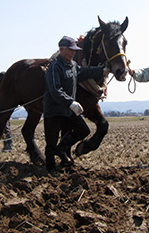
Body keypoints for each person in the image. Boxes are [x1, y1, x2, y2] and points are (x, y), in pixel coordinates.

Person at [44, 36, 108, 177]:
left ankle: (62, 148)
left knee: (83, 130)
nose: (73, 53)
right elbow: (55, 90)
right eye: (71, 50)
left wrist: (101, 70)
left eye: (75, 50)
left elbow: (84, 72)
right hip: (54, 111)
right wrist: (70, 102)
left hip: (68, 110)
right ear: (62, 50)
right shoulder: (54, 67)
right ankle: (50, 169)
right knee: (51, 141)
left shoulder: (72, 65)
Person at [0, 71, 13, 152]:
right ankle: (8, 145)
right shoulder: (4, 86)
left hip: (5, 110)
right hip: (3, 110)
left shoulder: (5, 86)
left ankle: (8, 145)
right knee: (5, 127)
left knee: (6, 128)